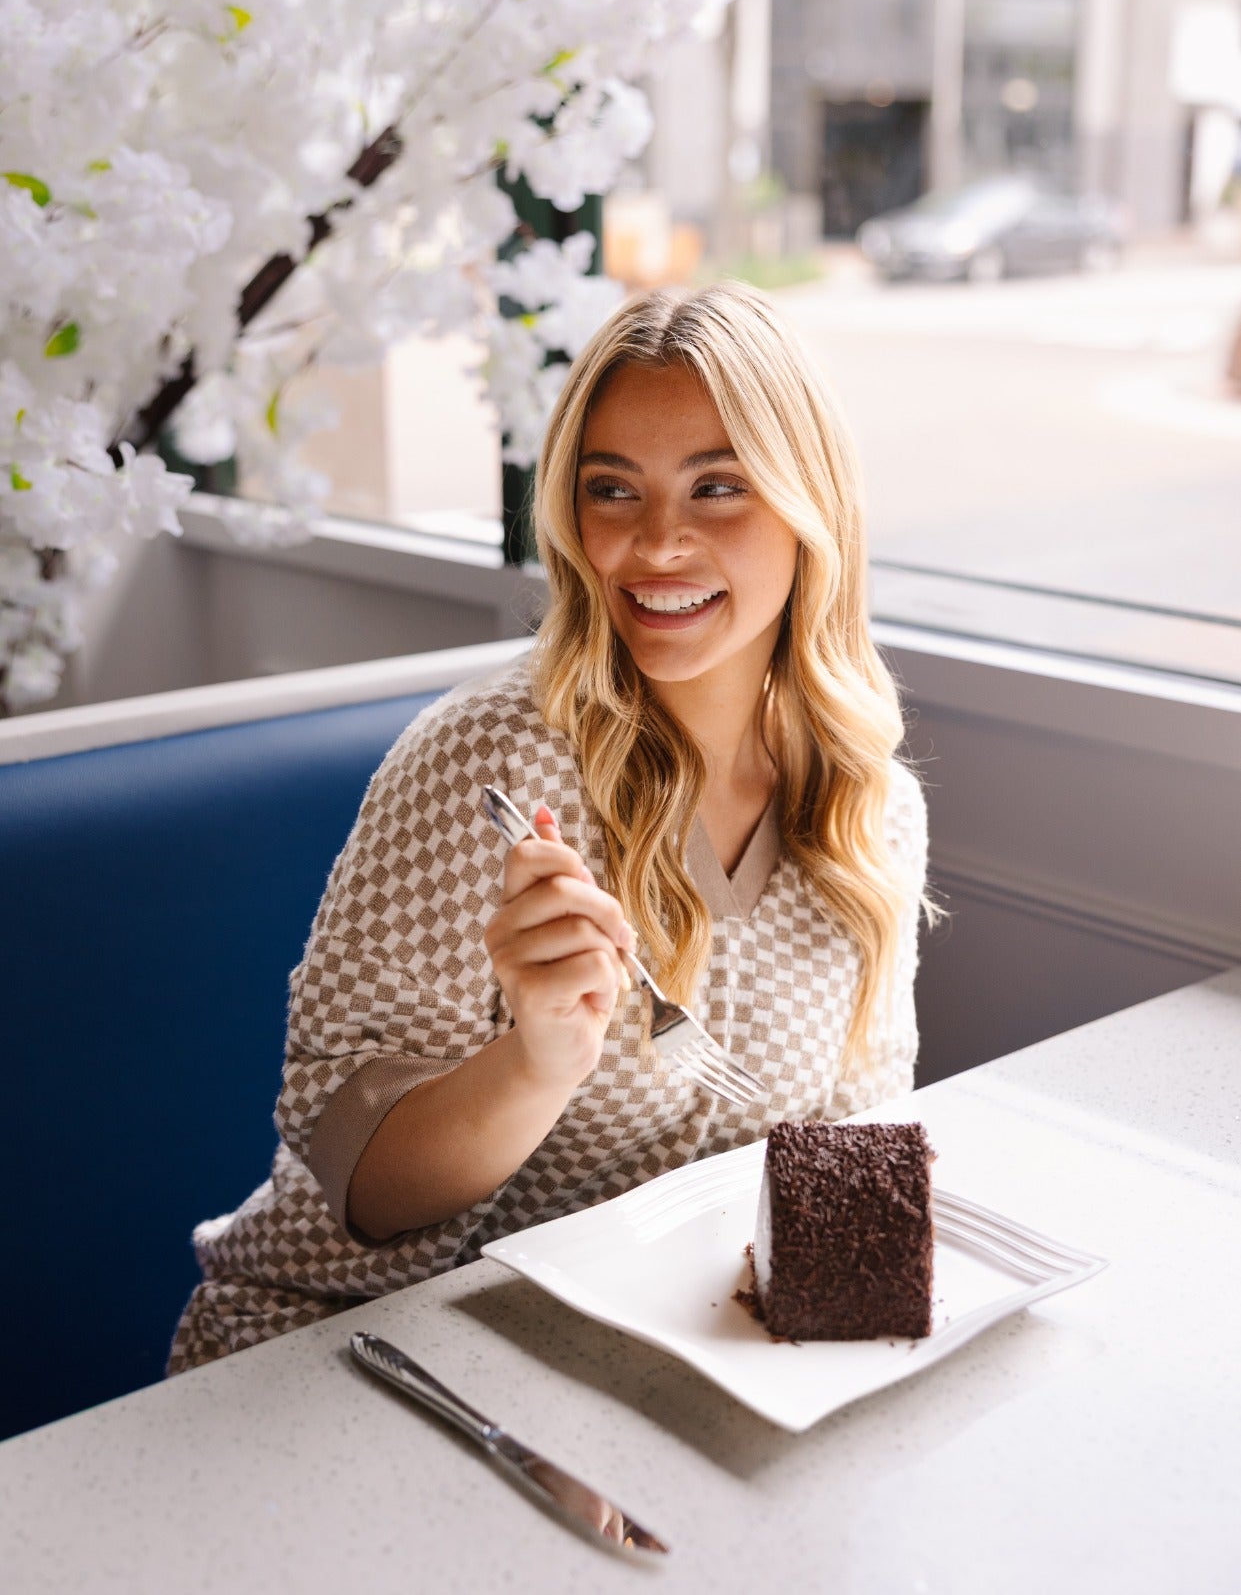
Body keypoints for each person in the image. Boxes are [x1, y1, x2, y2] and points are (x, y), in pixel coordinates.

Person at [168, 281, 930, 1372]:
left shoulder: (868, 809)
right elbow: (356, 1183)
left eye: (717, 486)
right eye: (610, 489)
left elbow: (843, 1157)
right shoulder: (486, 764)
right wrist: (536, 1060)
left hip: (649, 1359)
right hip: (358, 1354)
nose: (655, 543)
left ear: (812, 507)